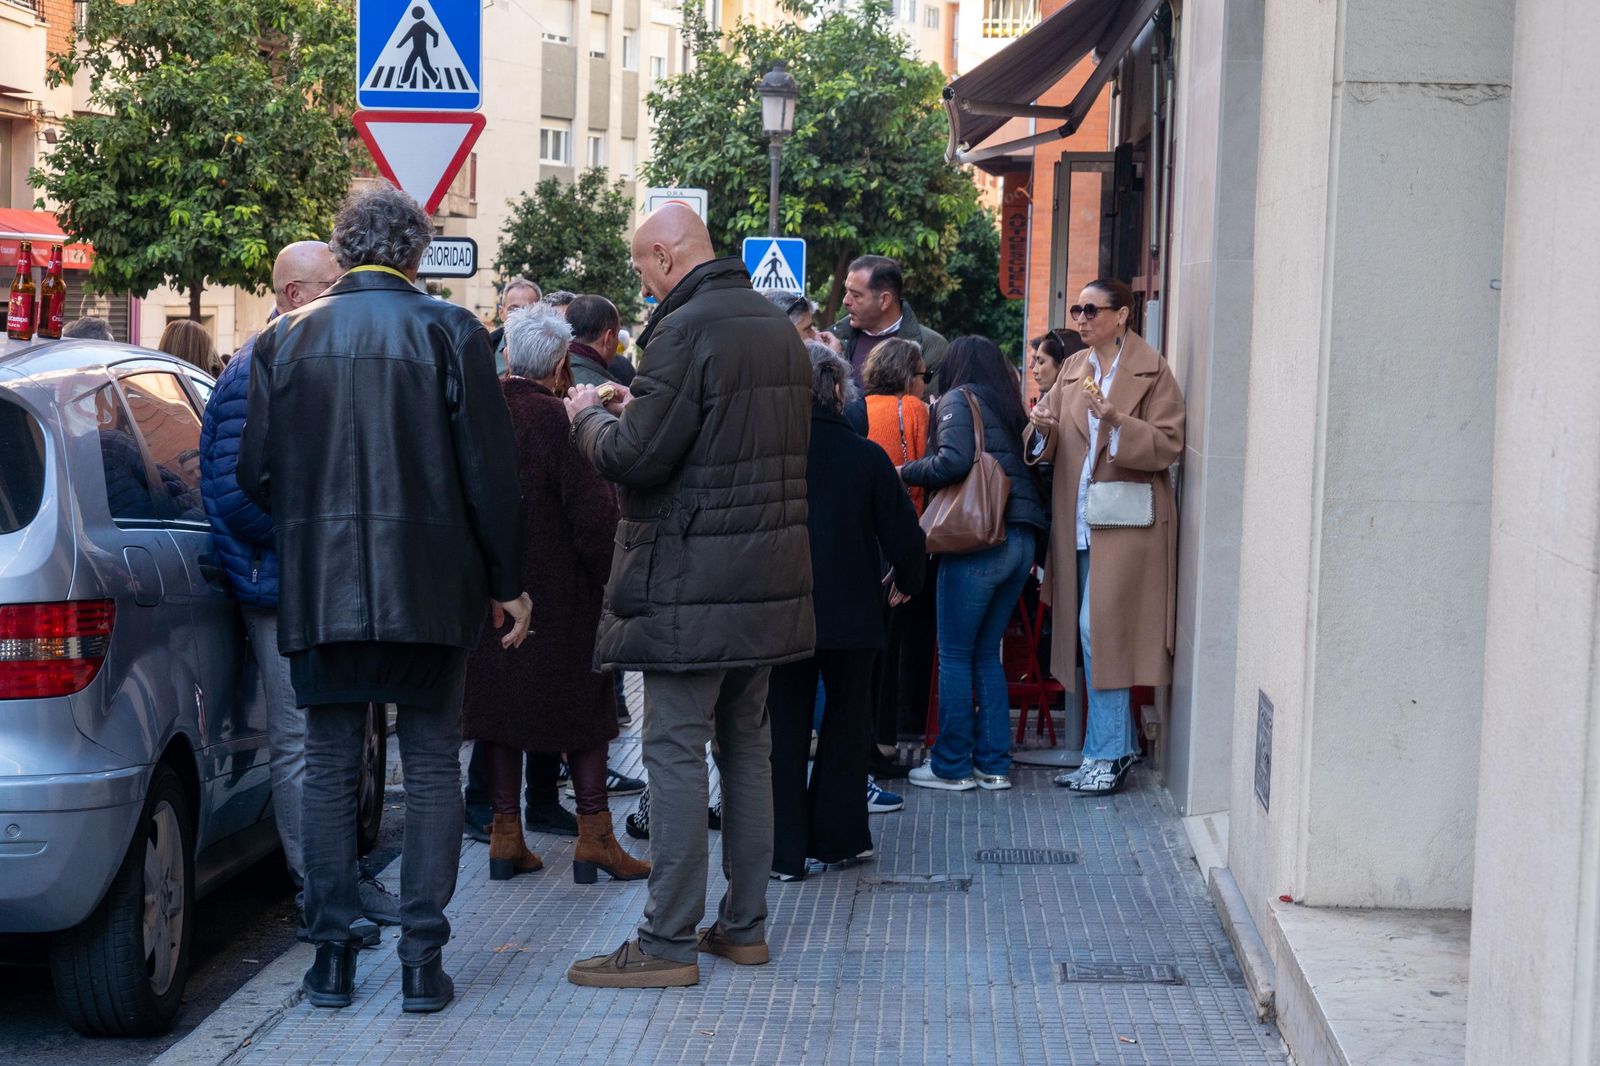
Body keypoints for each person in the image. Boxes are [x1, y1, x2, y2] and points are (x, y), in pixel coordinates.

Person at [238, 183, 532, 1014]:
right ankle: (419, 960)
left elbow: (253, 474)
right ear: (415, 251)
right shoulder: (451, 331)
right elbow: (490, 477)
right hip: (432, 589)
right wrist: (508, 585)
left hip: (321, 586)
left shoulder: (283, 340)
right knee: (435, 761)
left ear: (344, 247)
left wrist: (310, 520)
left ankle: (330, 958)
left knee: (329, 765)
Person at [563, 203, 812, 988]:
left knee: (672, 754)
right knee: (749, 750)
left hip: (689, 582)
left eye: (642, 269)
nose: (641, 286)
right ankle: (744, 927)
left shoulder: (682, 330)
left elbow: (639, 457)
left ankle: (666, 941)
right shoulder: (778, 329)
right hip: (767, 577)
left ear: (668, 257)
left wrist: (584, 420)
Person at [198, 242, 402, 939]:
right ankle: (321, 891)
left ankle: (335, 881)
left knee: (327, 739)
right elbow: (233, 495)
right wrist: (319, 540)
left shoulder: (297, 357)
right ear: (290, 295)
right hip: (279, 584)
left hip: (304, 578)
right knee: (302, 742)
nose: (343, 299)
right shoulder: (256, 367)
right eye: (330, 287)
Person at [462, 303, 651, 885]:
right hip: (564, 597)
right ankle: (595, 837)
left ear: (510, 354)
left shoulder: (479, 411)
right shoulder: (560, 423)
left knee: (499, 715)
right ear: (561, 362)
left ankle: (504, 835)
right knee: (585, 713)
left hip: (493, 592)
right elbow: (594, 521)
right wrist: (614, 581)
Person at [768, 343, 925, 881]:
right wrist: (907, 582)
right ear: (838, 391)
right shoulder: (867, 456)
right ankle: (837, 839)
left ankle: (783, 852)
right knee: (845, 723)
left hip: (783, 610)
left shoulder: (772, 454)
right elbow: (906, 536)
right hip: (854, 615)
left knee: (783, 728)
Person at [1025, 279, 1184, 795]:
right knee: (1091, 632)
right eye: (1077, 309)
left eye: (1092, 309)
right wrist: (1042, 424)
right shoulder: (1073, 368)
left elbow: (1169, 444)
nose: (1082, 318)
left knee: (1100, 631)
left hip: (1129, 523)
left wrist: (1117, 421)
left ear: (1122, 315)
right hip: (1081, 515)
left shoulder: (1152, 370)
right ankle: (1112, 747)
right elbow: (1046, 442)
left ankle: (1108, 752)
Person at [900, 336, 1047, 793]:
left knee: (957, 655)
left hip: (980, 539)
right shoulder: (1009, 406)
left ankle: (951, 765)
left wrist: (902, 471)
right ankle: (994, 765)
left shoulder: (957, 400)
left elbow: (953, 461)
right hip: (1021, 538)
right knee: (986, 655)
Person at [846, 338, 936, 777]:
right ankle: (884, 743)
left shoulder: (858, 409)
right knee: (895, 647)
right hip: (901, 536)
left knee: (868, 650)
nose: (924, 384)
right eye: (922, 375)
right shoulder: (913, 411)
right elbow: (923, 475)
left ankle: (863, 743)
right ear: (907, 376)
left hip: (862, 542)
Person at [829, 255, 948, 387]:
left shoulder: (931, 347)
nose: (846, 301)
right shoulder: (833, 340)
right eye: (846, 291)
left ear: (885, 300)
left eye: (856, 295)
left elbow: (929, 405)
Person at [566, 294, 623, 386]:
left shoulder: (546, 376)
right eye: (617, 335)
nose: (617, 342)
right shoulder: (610, 394)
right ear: (608, 338)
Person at [488, 277, 542, 374]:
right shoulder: (484, 350)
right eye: (513, 309)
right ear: (501, 313)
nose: (519, 315)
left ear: (539, 313)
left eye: (527, 309)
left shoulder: (551, 353)